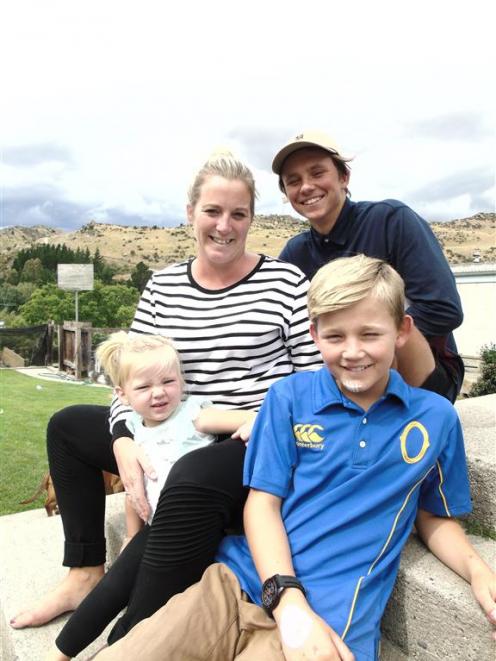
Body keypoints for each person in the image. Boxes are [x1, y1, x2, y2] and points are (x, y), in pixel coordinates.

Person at [92, 255, 496, 661]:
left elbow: (434, 517)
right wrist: (286, 602)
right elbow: (262, 504)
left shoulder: (435, 418)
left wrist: (478, 571)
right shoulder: (287, 399)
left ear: (402, 330)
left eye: (370, 334)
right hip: (235, 585)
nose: (353, 352)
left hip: (330, 618)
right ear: (314, 334)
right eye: (335, 336)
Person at [11, 154, 322, 649]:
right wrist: (122, 438)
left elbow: (314, 381)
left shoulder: (284, 283)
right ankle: (84, 571)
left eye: (238, 214)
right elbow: (127, 374)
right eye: (213, 211)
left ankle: (132, 634)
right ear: (190, 212)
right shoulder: (163, 286)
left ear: (251, 220)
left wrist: (265, 420)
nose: (225, 226)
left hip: (242, 436)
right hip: (163, 421)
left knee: (191, 475)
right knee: (68, 425)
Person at [44, 331, 260, 660]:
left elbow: (241, 418)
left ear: (181, 381)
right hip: (154, 523)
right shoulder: (133, 427)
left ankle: (116, 648)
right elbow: (135, 490)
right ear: (123, 394)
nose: (159, 393)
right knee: (111, 589)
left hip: (184, 520)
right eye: (144, 387)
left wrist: (254, 420)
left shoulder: (194, 415)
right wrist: (131, 534)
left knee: (126, 592)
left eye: (168, 382)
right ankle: (59, 653)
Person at [272, 130, 465, 403]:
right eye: (293, 181)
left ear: (343, 177)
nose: (306, 187)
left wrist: (370, 340)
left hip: (422, 374)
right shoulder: (296, 253)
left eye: (317, 173)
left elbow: (444, 309)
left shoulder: (392, 221)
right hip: (343, 372)